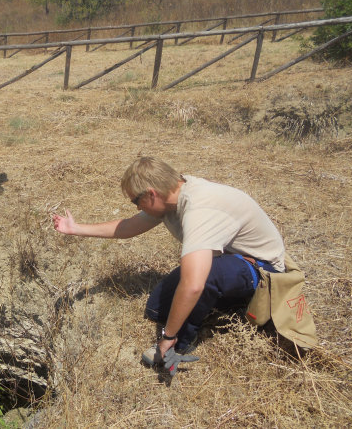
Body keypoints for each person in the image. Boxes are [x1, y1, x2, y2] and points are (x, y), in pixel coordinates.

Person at [52, 157, 286, 374]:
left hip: (262, 269)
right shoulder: (171, 197)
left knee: (201, 280)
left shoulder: (200, 209)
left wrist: (168, 335)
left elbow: (194, 285)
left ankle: (179, 345)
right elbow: (127, 227)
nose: (136, 207)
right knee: (157, 308)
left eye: (136, 201)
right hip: (231, 259)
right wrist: (76, 229)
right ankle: (222, 307)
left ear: (151, 194)